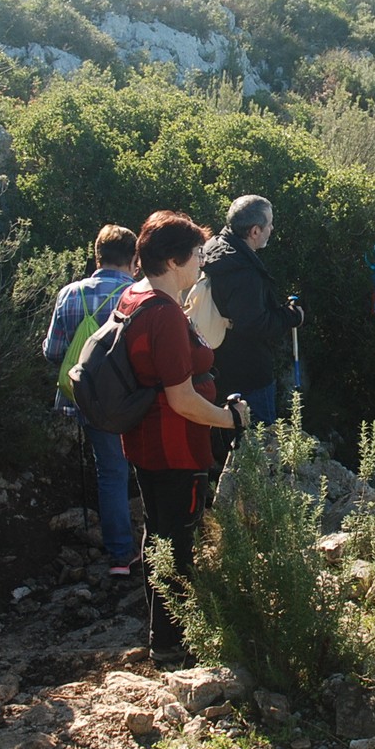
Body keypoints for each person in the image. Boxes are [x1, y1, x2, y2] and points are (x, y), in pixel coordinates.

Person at [114, 211, 250, 666]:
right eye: (195, 255)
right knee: (176, 541)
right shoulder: (165, 313)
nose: (201, 262)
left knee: (158, 533)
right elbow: (182, 399)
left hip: (144, 440)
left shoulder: (134, 295)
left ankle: (163, 633)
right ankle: (174, 643)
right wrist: (229, 420)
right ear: (173, 261)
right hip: (175, 445)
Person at [42, 224, 140, 577]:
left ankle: (120, 557)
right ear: (134, 258)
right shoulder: (138, 294)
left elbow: (53, 352)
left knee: (111, 471)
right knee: (147, 468)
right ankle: (158, 549)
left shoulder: (70, 294)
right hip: (135, 398)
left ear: (96, 255)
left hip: (89, 400)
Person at [201, 195, 304, 426]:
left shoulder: (213, 249)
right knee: (259, 435)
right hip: (249, 372)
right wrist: (292, 316)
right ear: (255, 231)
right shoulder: (245, 272)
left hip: (215, 364)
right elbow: (255, 325)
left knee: (225, 432)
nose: (272, 229)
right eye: (269, 224)